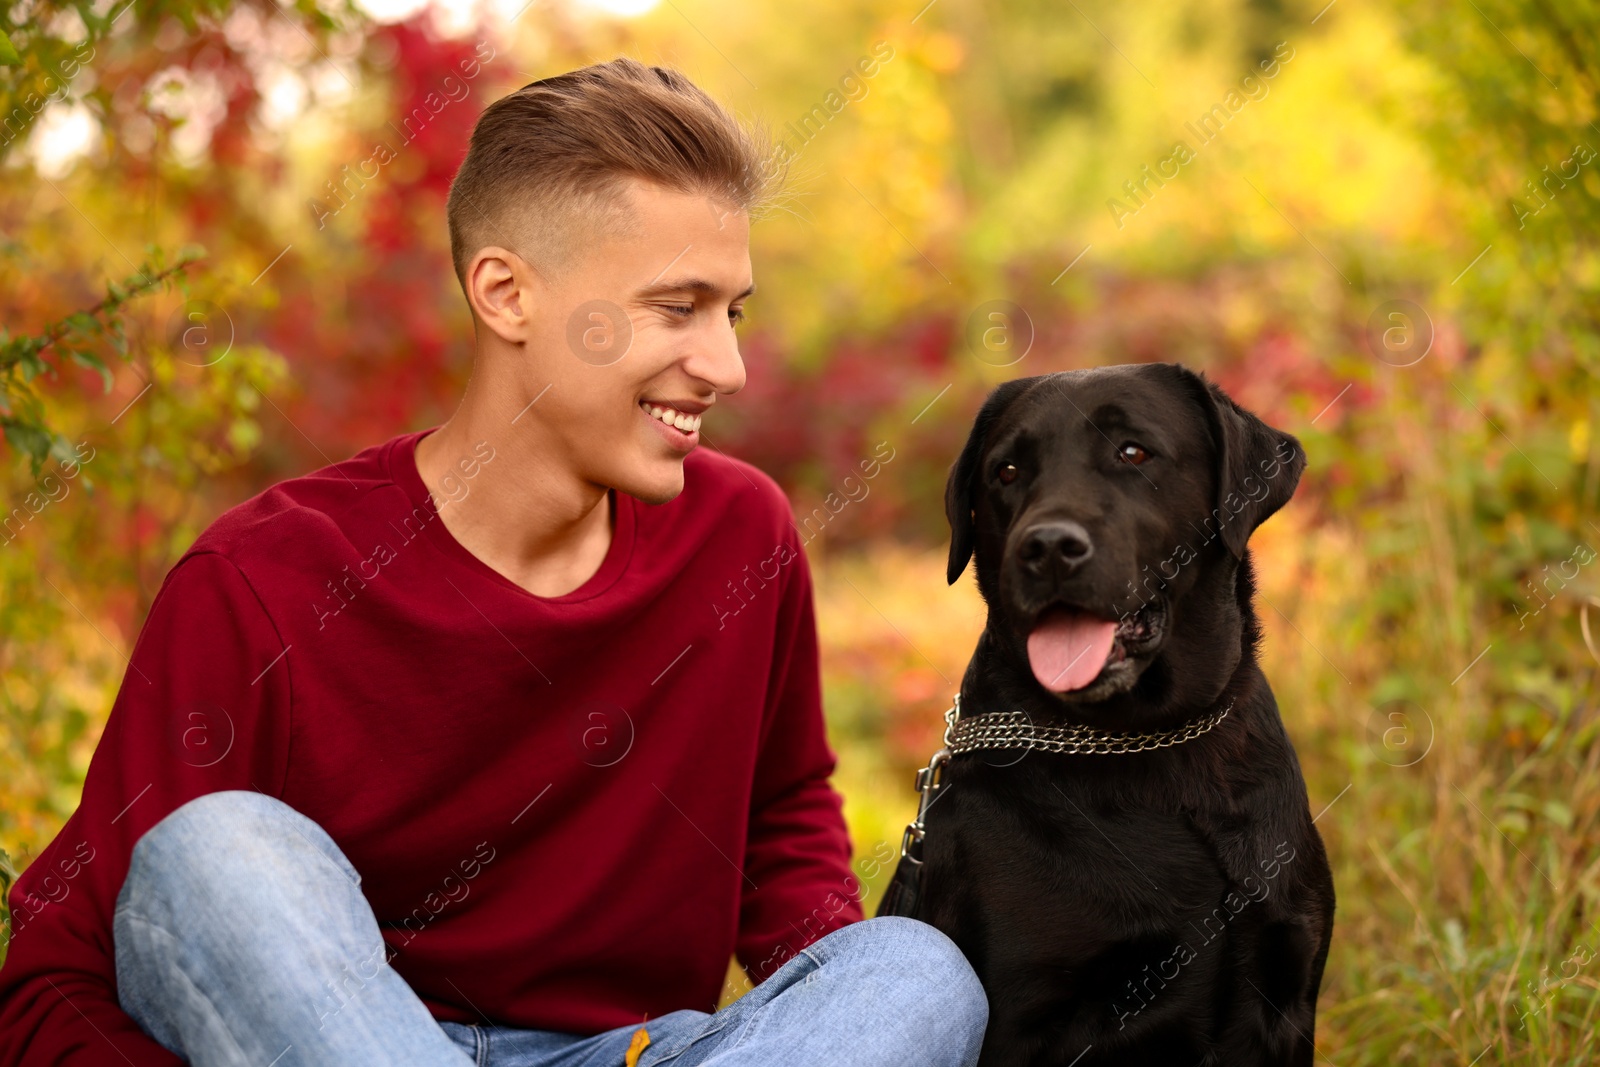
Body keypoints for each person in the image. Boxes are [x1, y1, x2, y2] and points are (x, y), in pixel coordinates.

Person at [0, 57, 987, 1067]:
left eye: (730, 312)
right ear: (506, 294)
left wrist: (827, 1014)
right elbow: (55, 976)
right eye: (676, 307)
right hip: (343, 1042)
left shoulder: (740, 536)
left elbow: (782, 824)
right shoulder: (262, 581)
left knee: (912, 970)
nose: (725, 366)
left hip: (637, 1052)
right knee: (217, 854)